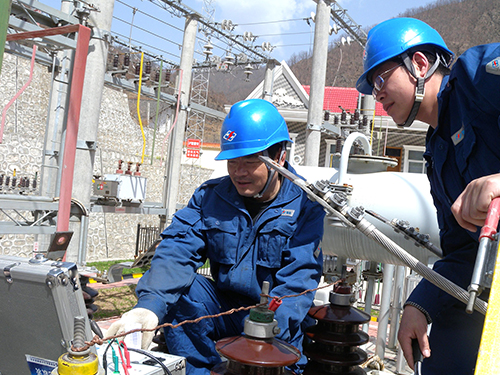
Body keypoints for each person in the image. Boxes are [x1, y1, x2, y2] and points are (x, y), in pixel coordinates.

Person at [107, 98, 325, 374]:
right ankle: (200, 369)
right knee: (183, 289)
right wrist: (148, 308)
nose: (239, 172)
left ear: (280, 156)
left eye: (250, 160)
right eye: (232, 162)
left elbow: (298, 281)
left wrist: (266, 328)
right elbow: (177, 249)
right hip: (224, 309)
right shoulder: (211, 197)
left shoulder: (305, 206)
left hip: (274, 322)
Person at [356, 17, 500, 375]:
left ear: (419, 64)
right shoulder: (436, 154)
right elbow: (464, 252)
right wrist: (420, 304)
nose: (378, 94)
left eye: (380, 78)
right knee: (440, 359)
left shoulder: (477, 77)